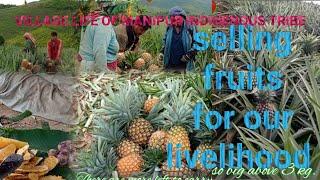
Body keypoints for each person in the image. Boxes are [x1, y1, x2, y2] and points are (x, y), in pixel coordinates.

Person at [78, 8, 119, 72]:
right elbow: (100, 50)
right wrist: (103, 74)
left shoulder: (98, 21)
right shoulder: (104, 23)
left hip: (89, 65)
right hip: (93, 67)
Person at [160, 6, 198, 72]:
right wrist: (162, 52)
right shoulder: (169, 27)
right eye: (173, 20)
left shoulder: (190, 26)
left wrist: (188, 55)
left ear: (183, 18)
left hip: (185, 64)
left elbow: (198, 43)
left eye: (178, 20)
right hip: (170, 63)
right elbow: (165, 40)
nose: (175, 23)